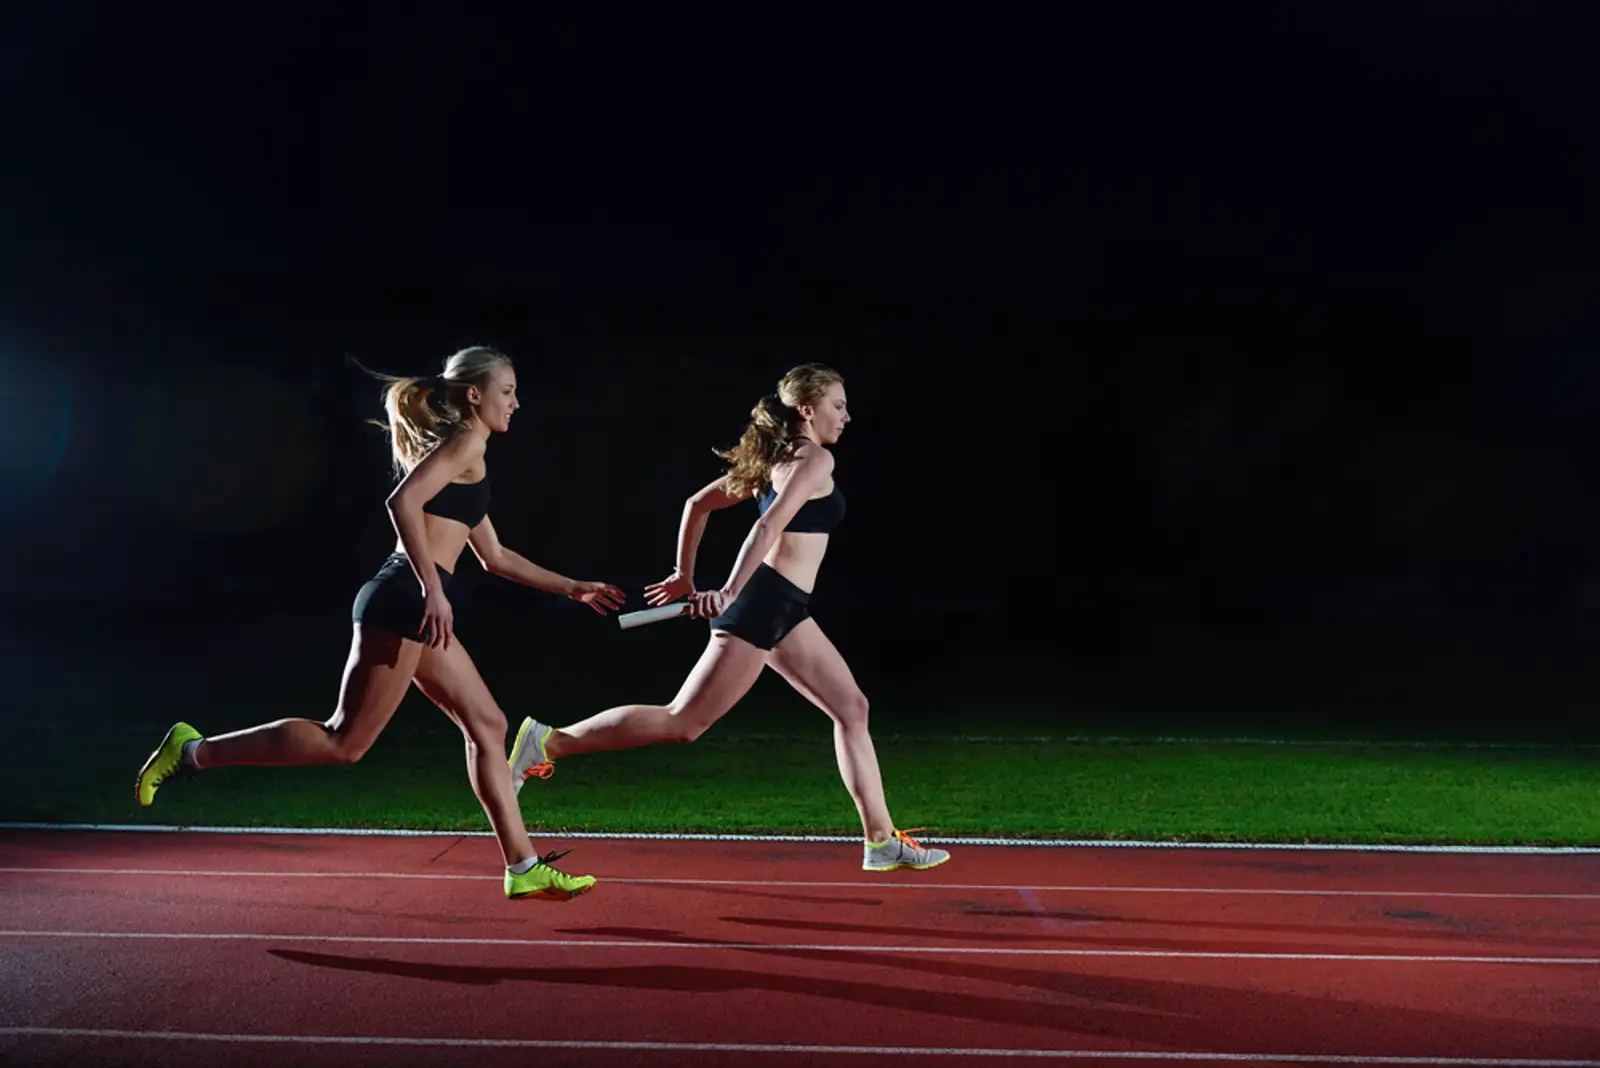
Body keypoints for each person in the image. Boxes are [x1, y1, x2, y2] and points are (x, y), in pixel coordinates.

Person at [133, 346, 625, 900]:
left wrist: (573, 587)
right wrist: (433, 588)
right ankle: (194, 751)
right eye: (507, 391)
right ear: (474, 395)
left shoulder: (474, 456)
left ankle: (522, 866)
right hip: (402, 599)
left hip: (412, 602)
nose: (516, 402)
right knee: (345, 742)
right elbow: (402, 502)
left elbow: (496, 557)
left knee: (488, 724)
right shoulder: (463, 442)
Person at [508, 363, 950, 872]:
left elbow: (698, 505)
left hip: (785, 609)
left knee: (852, 707)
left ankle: (879, 839)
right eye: (838, 405)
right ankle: (548, 741)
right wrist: (726, 590)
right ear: (807, 410)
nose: (846, 416)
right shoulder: (813, 459)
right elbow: (765, 526)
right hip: (762, 604)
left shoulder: (777, 458)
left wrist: (683, 577)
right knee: (684, 722)